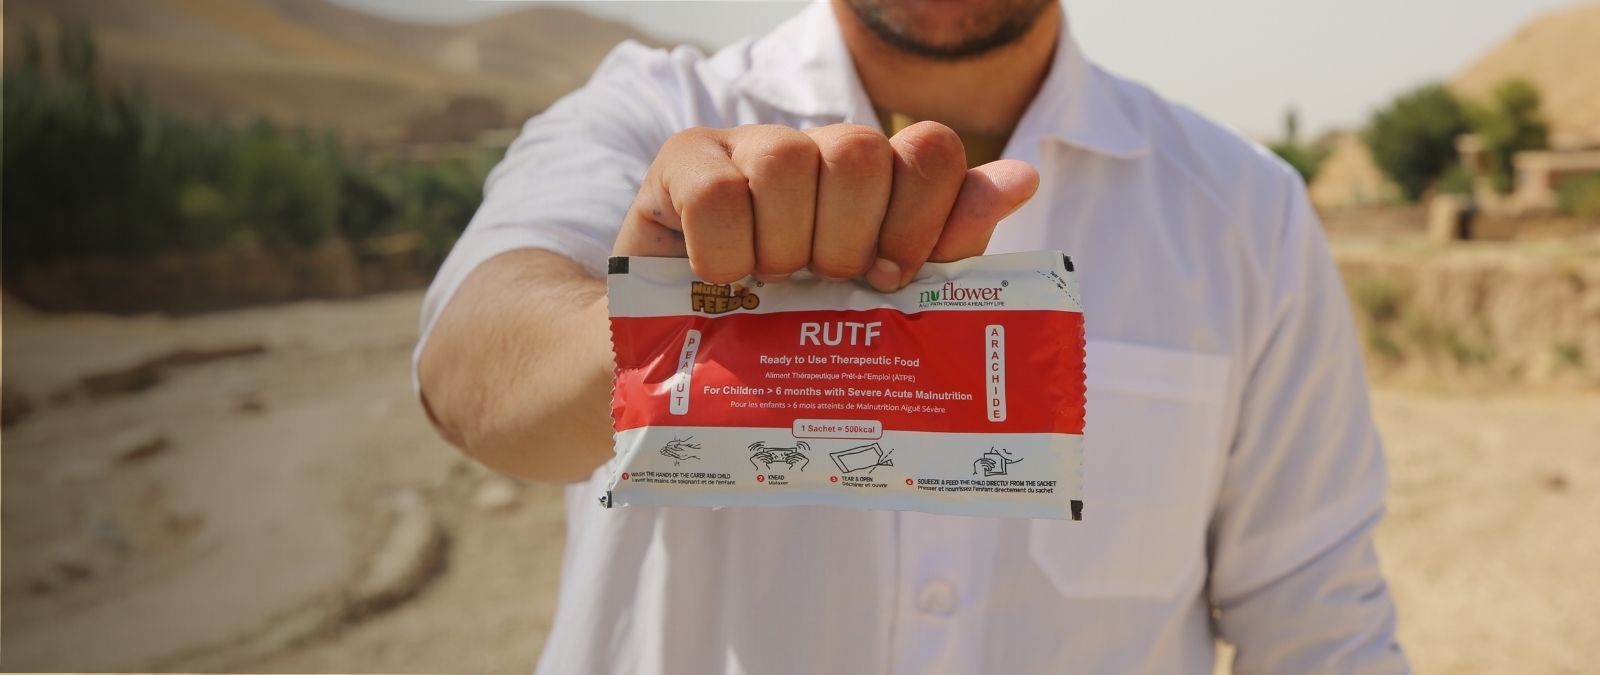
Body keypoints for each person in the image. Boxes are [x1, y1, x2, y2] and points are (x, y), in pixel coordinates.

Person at [415, 0, 1409, 672]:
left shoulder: (1242, 210)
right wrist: (653, 327)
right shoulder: (650, 117)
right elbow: (469, 375)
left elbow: (1318, 624)